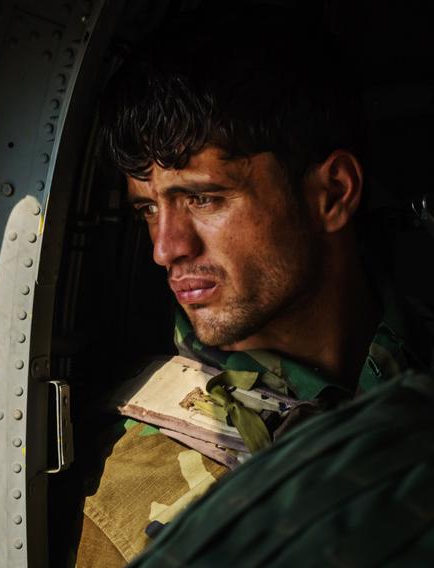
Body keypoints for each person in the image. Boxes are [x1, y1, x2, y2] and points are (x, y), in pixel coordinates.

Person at [74, 7, 434, 567]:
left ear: (333, 194)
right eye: (148, 209)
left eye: (204, 199)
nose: (166, 248)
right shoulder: (129, 494)